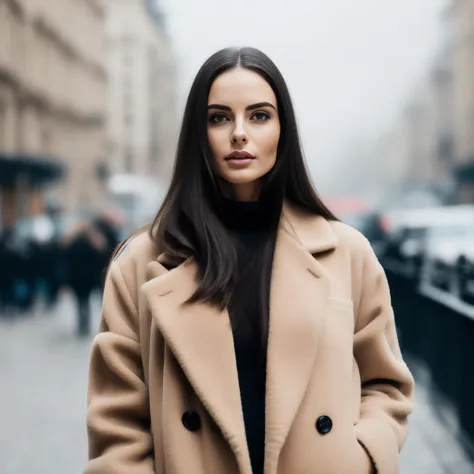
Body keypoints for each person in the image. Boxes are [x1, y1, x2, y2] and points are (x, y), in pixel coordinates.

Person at [85, 47, 414, 474]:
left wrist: (364, 457)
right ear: (197, 133)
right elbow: (117, 424)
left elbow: (386, 385)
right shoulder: (141, 263)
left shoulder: (347, 253)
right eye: (219, 117)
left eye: (259, 115)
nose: (239, 133)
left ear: (283, 129)